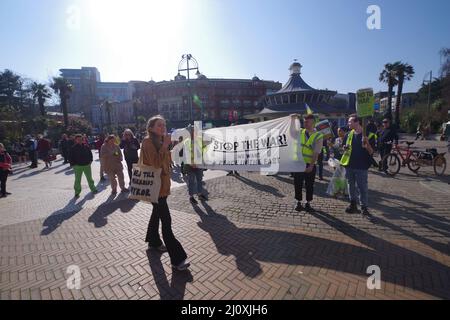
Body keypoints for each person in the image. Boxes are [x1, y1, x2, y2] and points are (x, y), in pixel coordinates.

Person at [142, 115, 190, 271]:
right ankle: (178, 259)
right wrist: (166, 146)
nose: (163, 127)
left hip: (162, 187)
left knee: (156, 213)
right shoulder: (147, 142)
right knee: (167, 222)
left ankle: (153, 241)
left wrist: (173, 145)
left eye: (164, 124)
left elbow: (166, 160)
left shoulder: (161, 141)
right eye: (159, 125)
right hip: (155, 188)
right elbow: (155, 163)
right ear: (150, 128)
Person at [340, 114, 376, 219]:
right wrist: (344, 148)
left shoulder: (369, 135)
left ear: (357, 122)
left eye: (350, 121)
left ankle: (364, 207)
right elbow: (343, 149)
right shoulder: (348, 134)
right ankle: (353, 204)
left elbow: (371, 152)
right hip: (349, 165)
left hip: (361, 166)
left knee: (362, 187)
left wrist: (367, 144)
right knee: (350, 186)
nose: (348, 123)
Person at [294, 114, 323, 213]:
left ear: (313, 122)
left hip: (309, 164)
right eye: (304, 121)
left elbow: (316, 152)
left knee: (309, 184)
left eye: (307, 122)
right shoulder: (301, 132)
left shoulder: (318, 135)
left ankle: (308, 202)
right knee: (297, 183)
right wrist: (293, 119)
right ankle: (298, 201)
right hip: (299, 163)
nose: (305, 123)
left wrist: (311, 165)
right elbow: (290, 131)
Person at [183, 127, 208, 205]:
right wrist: (191, 163)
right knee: (191, 182)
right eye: (194, 131)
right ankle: (191, 197)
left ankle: (200, 195)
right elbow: (186, 154)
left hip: (199, 164)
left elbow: (204, 150)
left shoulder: (200, 140)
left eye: (196, 131)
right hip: (191, 165)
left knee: (199, 180)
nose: (195, 133)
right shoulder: (187, 141)